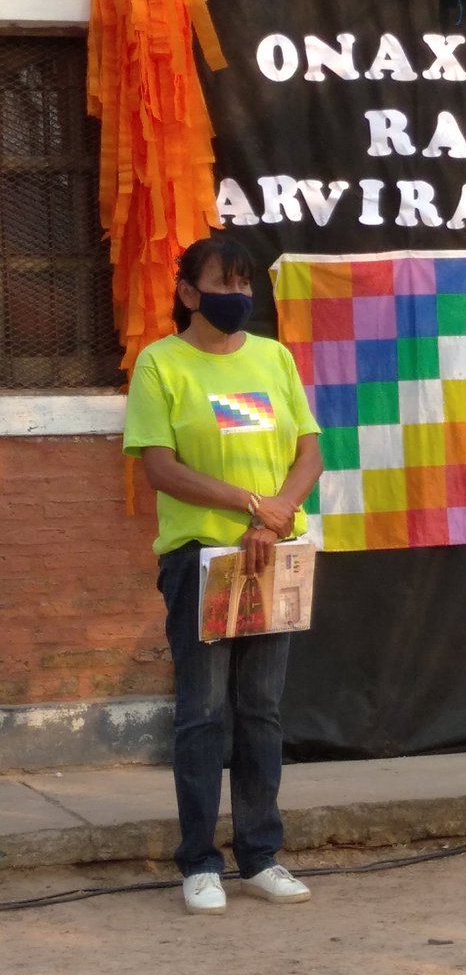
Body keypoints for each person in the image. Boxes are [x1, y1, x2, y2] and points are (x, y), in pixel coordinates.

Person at [123, 236, 323, 914]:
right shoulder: (160, 364)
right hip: (201, 558)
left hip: (273, 553)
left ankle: (261, 855)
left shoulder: (274, 358)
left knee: (261, 709)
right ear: (188, 292)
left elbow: (309, 452)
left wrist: (274, 517)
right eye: (223, 283)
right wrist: (250, 504)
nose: (238, 296)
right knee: (203, 713)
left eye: (245, 284)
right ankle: (199, 862)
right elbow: (160, 467)